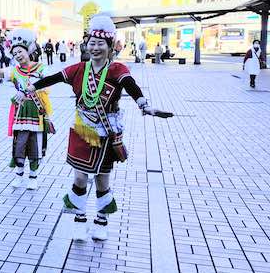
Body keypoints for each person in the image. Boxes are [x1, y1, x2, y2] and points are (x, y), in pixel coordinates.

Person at [27, 15, 171, 241]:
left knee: (103, 180)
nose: (95, 48)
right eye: (91, 43)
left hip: (106, 133)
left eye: (100, 43)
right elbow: (53, 78)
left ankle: (102, 221)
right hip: (83, 131)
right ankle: (79, 220)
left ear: (110, 46)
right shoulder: (79, 69)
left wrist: (144, 105)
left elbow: (130, 85)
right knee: (80, 178)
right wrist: (31, 87)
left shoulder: (116, 69)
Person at [0, 30, 53, 190]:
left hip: (37, 111)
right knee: (19, 144)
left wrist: (26, 91)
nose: (18, 55)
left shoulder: (42, 68)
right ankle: (19, 174)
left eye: (20, 52)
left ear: (28, 50)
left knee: (35, 144)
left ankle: (33, 177)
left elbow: (46, 82)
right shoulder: (15, 70)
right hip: (20, 113)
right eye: (15, 54)